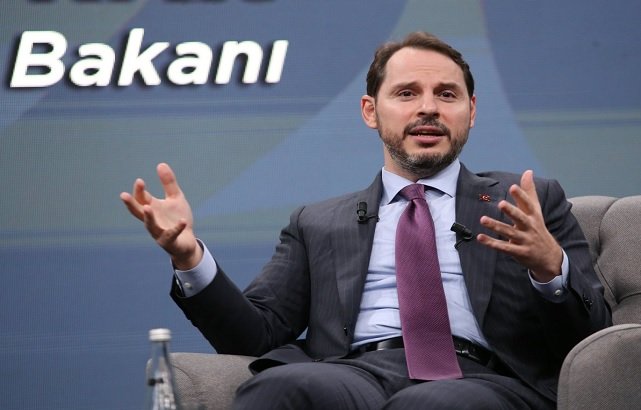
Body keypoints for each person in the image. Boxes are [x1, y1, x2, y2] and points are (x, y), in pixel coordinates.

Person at [121, 32, 611, 409]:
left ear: (471, 110)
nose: (428, 108)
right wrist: (190, 257)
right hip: (355, 373)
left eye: (446, 94)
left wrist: (550, 269)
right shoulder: (317, 222)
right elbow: (253, 335)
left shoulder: (525, 201)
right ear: (370, 111)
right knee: (282, 388)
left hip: (482, 380)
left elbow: (591, 336)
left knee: (433, 404)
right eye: (407, 93)